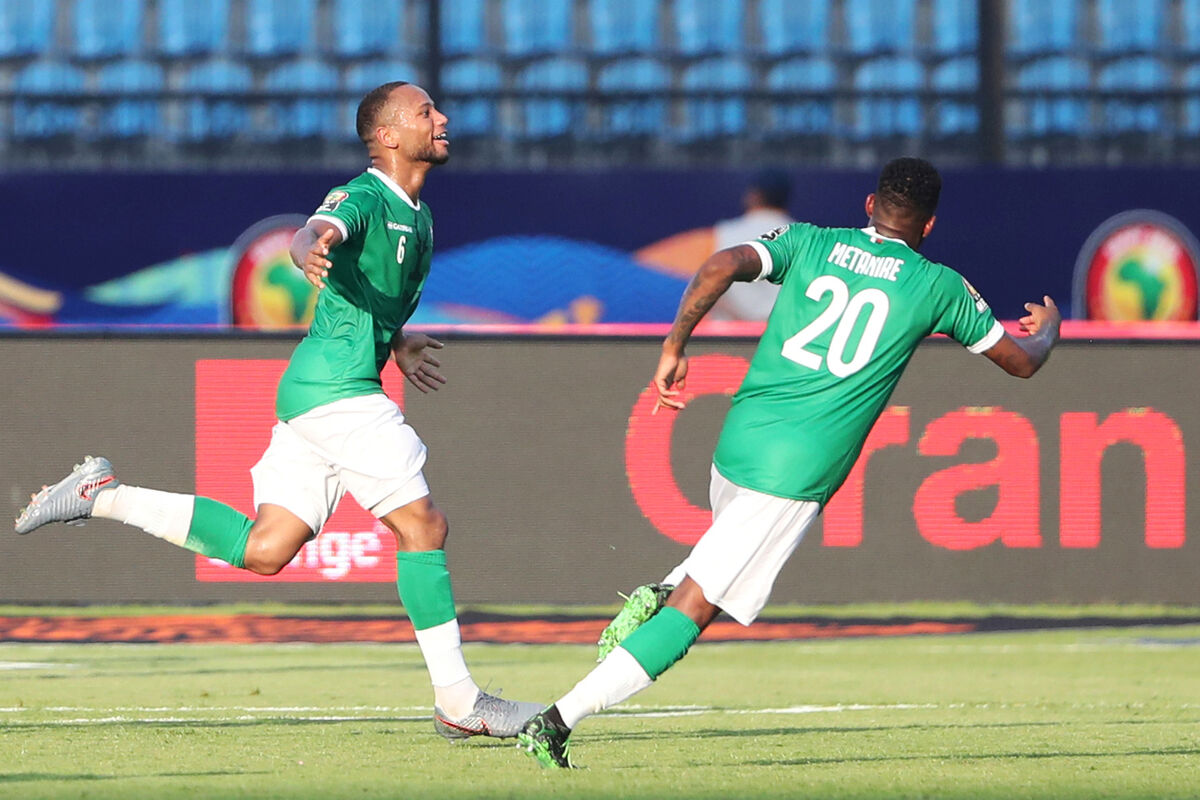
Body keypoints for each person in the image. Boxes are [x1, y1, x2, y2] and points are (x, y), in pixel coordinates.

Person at [14, 82, 541, 740]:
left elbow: (368, 294)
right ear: (386, 136)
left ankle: (103, 495)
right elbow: (318, 229)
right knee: (423, 527)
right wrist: (305, 246)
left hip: (317, 394)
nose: (442, 118)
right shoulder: (366, 195)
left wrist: (395, 339)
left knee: (266, 550)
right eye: (425, 112)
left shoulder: (421, 218)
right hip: (339, 394)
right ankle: (460, 703)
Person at [517, 157, 1061, 768]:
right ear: (930, 225)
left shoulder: (809, 240)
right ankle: (557, 721)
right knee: (696, 610)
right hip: (794, 473)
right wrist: (1049, 330)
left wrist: (674, 346)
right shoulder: (940, 287)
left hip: (738, 444)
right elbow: (1022, 362)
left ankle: (665, 588)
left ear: (869, 205)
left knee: (716, 571)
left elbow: (721, 264)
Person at [708, 168, 795, 322]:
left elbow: (707, 289)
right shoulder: (806, 239)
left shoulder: (722, 235)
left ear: (753, 196)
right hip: (787, 331)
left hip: (734, 333)